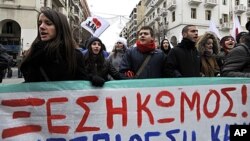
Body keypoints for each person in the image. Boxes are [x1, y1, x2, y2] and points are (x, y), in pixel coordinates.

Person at [20, 7, 88, 82]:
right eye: (40, 23)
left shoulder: (74, 56)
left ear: (61, 28)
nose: (41, 27)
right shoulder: (33, 53)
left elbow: (81, 85)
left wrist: (91, 80)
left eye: (48, 23)